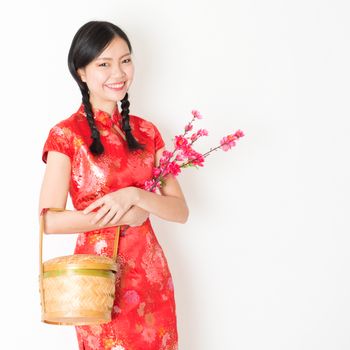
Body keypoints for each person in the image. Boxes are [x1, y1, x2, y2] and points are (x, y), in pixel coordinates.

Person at [38, 20, 189, 350]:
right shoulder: (66, 135)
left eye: (125, 60)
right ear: (81, 71)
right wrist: (124, 216)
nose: (118, 73)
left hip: (151, 276)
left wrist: (136, 196)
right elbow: (49, 220)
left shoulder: (147, 132)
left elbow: (180, 211)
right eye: (103, 64)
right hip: (98, 281)